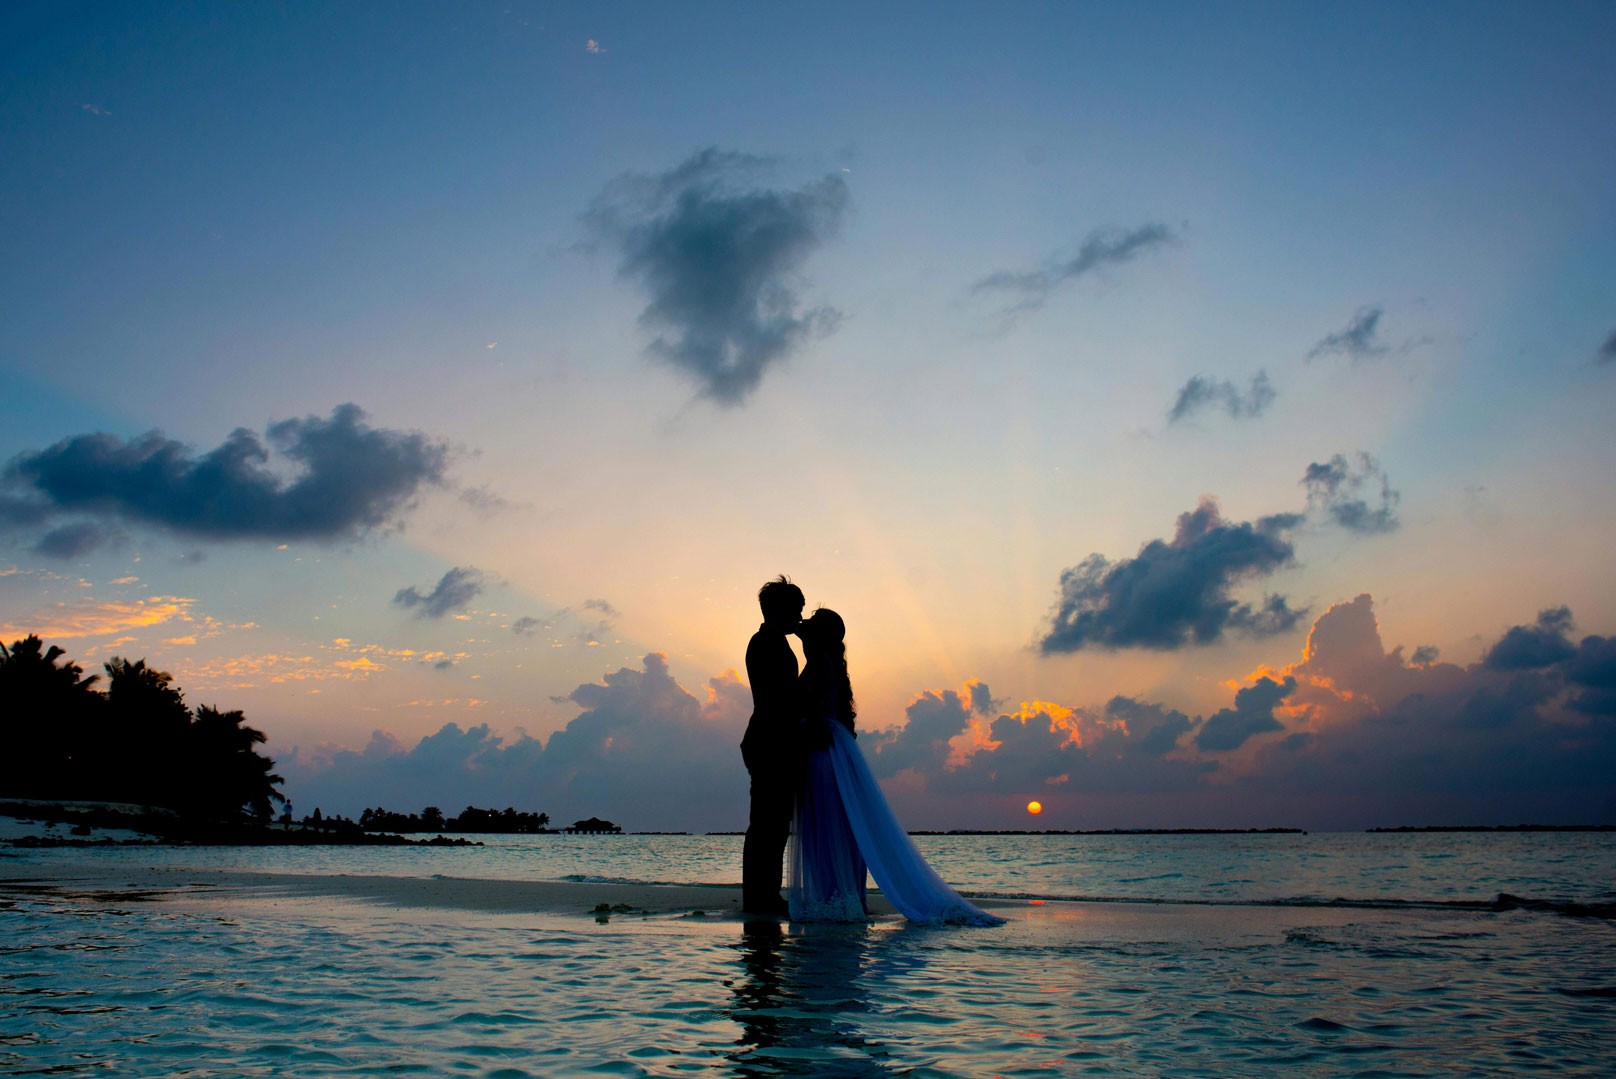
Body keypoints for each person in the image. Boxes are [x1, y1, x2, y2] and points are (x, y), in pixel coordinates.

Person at [789, 608, 1004, 926]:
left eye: (810, 623)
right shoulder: (828, 662)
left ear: (819, 635)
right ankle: (843, 897)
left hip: (823, 753)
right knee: (839, 825)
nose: (803, 624)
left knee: (828, 823)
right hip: (834, 750)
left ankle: (835, 899)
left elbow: (814, 710)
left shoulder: (820, 664)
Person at [741, 575, 806, 916]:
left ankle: (764, 893)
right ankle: (760, 896)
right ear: (778, 610)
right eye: (796, 610)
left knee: (773, 823)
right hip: (769, 742)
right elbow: (778, 699)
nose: (800, 617)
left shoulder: (773, 642)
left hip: (771, 740)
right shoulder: (766, 644)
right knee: (768, 823)